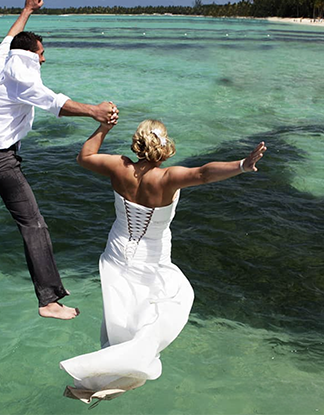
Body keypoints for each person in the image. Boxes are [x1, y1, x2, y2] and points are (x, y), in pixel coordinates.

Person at [60, 120, 266, 403]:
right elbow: (204, 174)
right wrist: (242, 164)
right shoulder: (167, 177)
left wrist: (103, 127)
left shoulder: (119, 166)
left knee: (120, 318)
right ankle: (119, 376)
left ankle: (103, 379)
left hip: (117, 252)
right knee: (169, 302)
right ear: (164, 146)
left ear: (137, 143)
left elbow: (84, 157)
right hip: (152, 257)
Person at [0, 0, 119, 320]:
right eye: (41, 54)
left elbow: (11, 37)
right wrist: (93, 111)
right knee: (33, 223)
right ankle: (49, 300)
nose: (43, 60)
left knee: (1, 180)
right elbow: (53, 102)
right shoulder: (21, 77)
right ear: (30, 56)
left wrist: (26, 11)